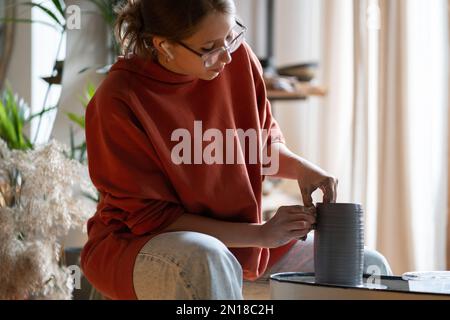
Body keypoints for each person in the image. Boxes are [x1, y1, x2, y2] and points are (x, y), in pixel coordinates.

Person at [80, 0, 392, 300]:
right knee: (207, 259)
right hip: (136, 244)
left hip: (239, 243)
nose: (227, 56)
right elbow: (153, 219)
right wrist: (260, 235)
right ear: (165, 46)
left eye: (230, 36)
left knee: (368, 265)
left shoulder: (238, 59)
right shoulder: (119, 99)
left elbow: (259, 147)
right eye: (209, 48)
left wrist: (301, 169)